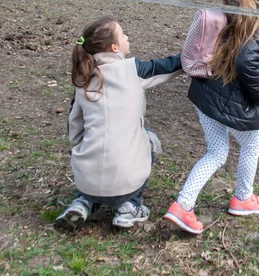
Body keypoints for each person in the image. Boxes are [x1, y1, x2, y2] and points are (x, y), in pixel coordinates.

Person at [165, 0, 259, 234]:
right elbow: (247, 63)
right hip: (227, 97)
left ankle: (182, 205)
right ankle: (243, 198)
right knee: (252, 142)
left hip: (205, 91)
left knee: (217, 152)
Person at [55, 17, 182, 229]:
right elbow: (170, 66)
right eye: (123, 34)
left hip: (86, 180)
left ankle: (82, 202)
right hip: (126, 183)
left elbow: (74, 129)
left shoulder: (82, 79)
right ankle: (130, 206)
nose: (127, 37)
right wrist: (196, 57)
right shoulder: (133, 70)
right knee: (148, 137)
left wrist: (81, 146)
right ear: (115, 47)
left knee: (95, 147)